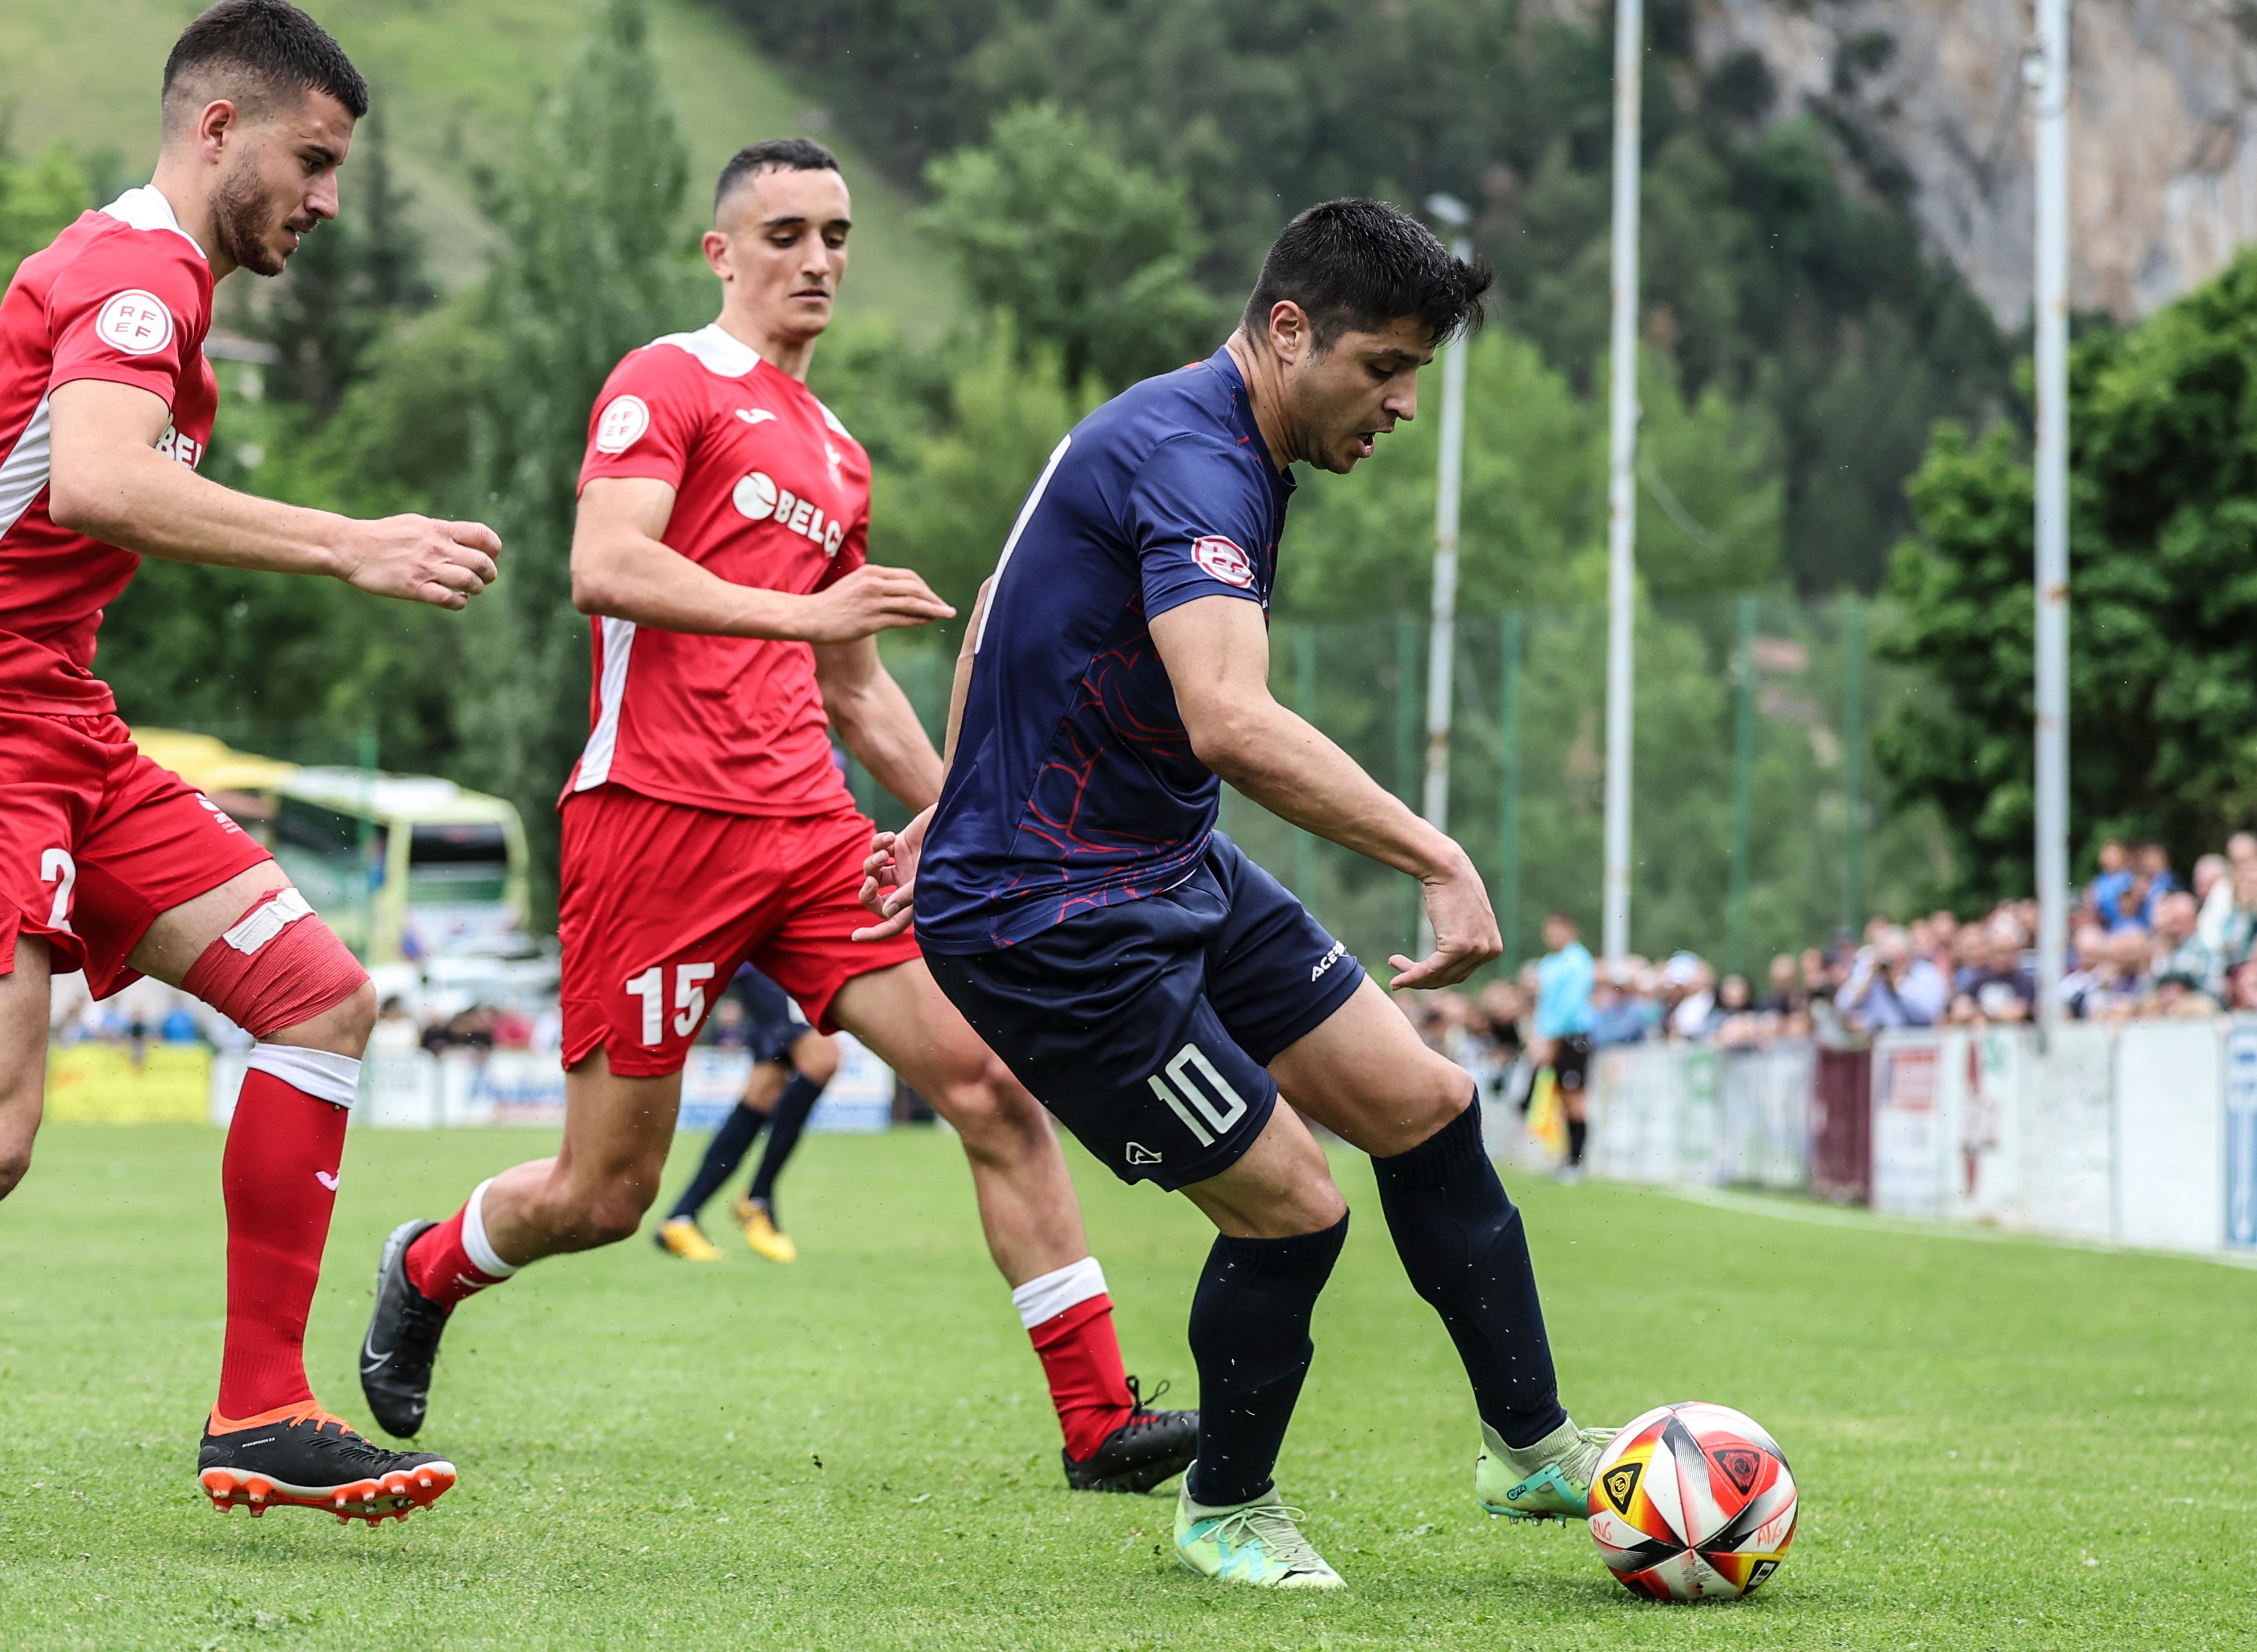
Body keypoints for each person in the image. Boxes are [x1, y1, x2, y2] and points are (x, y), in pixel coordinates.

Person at [355, 138, 1196, 1498]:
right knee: (606, 1195)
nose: (818, 260)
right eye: (788, 233)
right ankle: (428, 1266)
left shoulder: (840, 455)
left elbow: (854, 684)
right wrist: (809, 614)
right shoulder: (666, 379)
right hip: (653, 825)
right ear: (723, 252)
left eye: (839, 235)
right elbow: (602, 565)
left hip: (813, 841)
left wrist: (976, 815)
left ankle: (1100, 1424)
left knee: (990, 1087)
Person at [0, 1, 500, 1560]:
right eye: (312, 162)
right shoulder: (134, 268)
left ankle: (257, 1407)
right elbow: (99, 480)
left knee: (317, 995)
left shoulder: (148, 284)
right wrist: (350, 542)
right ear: (216, 128)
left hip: (51, 724)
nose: (323, 199)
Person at [861, 199, 1620, 1589]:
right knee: (1293, 1204)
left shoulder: (1206, 435)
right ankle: (1225, 1508)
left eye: (1413, 376)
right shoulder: (1198, 459)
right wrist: (1438, 856)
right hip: (1047, 922)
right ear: (1288, 331)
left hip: (1161, 861)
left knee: (1427, 1105)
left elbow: (996, 598)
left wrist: (948, 789)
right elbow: (1229, 717)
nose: (1398, 405)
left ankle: (1531, 1448)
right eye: (1383, 369)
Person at [655, 962, 835, 1262]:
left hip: (778, 960)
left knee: (763, 1090)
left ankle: (681, 1218)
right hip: (768, 962)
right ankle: (758, 1198)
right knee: (823, 1059)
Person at [1530, 913, 1594, 1180]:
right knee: (1561, 1098)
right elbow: (1545, 1004)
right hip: (1554, 1037)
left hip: (1572, 1037)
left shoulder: (1578, 961)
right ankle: (1566, 1158)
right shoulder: (1550, 963)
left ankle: (1577, 1162)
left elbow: (1569, 1006)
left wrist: (1551, 1039)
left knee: (1575, 1098)